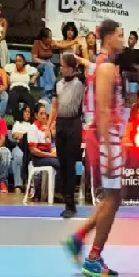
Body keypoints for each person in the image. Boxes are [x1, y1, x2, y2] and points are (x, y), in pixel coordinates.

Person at [63, 19, 125, 277]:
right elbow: (102, 110)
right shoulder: (106, 66)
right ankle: (93, 257)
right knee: (111, 197)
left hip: (107, 136)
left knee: (115, 196)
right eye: (120, 35)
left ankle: (80, 238)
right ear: (109, 38)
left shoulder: (101, 64)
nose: (123, 39)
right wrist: (109, 149)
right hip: (105, 136)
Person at [50, 54, 86, 218]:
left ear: (71, 68)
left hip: (74, 123)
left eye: (63, 65)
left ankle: (70, 205)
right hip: (61, 123)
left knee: (70, 165)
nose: (61, 68)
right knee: (62, 164)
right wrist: (50, 124)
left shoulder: (80, 81)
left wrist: (76, 57)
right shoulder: (57, 83)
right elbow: (54, 106)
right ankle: (66, 200)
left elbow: (87, 65)